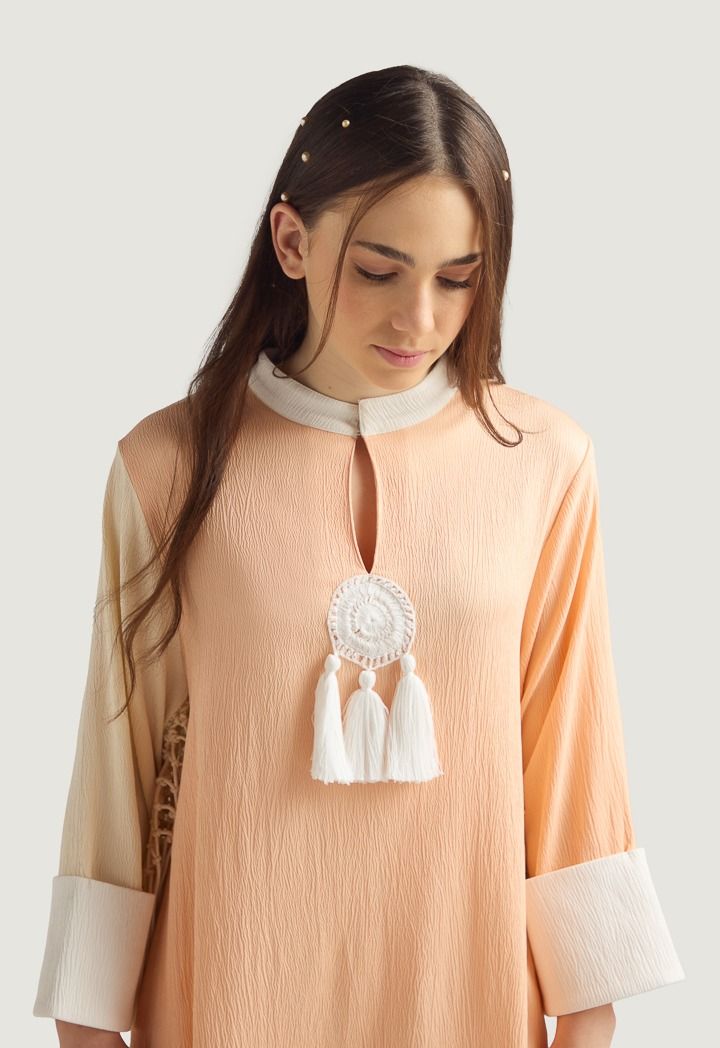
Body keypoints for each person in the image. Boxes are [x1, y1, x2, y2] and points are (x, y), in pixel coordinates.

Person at [32, 64, 684, 1048]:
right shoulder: (166, 467)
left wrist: (587, 1023)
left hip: (467, 999)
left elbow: (575, 765)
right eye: (380, 270)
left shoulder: (546, 464)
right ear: (291, 241)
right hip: (230, 994)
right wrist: (85, 1029)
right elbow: (115, 775)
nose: (420, 318)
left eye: (457, 278)